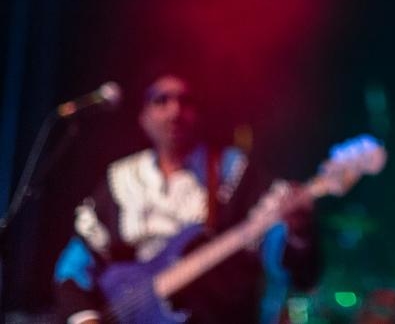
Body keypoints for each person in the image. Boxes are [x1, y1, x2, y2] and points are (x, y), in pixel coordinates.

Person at [52, 73, 319, 324]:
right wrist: (85, 318)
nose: (175, 111)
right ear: (143, 116)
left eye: (185, 101)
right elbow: (74, 266)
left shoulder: (235, 173)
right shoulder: (121, 178)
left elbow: (288, 264)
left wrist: (298, 233)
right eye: (161, 100)